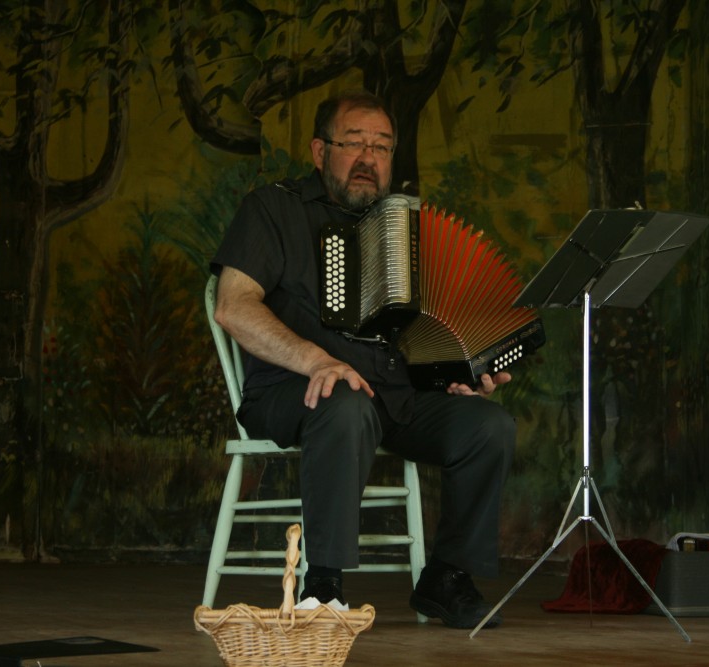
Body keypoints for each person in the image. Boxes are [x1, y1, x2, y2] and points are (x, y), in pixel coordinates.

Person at [210, 90, 516, 629]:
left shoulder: (400, 228)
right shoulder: (273, 209)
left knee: (487, 426)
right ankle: (323, 585)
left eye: (381, 147)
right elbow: (233, 307)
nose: (368, 159)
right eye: (354, 143)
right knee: (343, 397)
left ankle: (446, 578)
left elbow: (417, 334)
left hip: (393, 395)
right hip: (292, 392)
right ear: (319, 150)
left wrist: (454, 375)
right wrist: (315, 360)